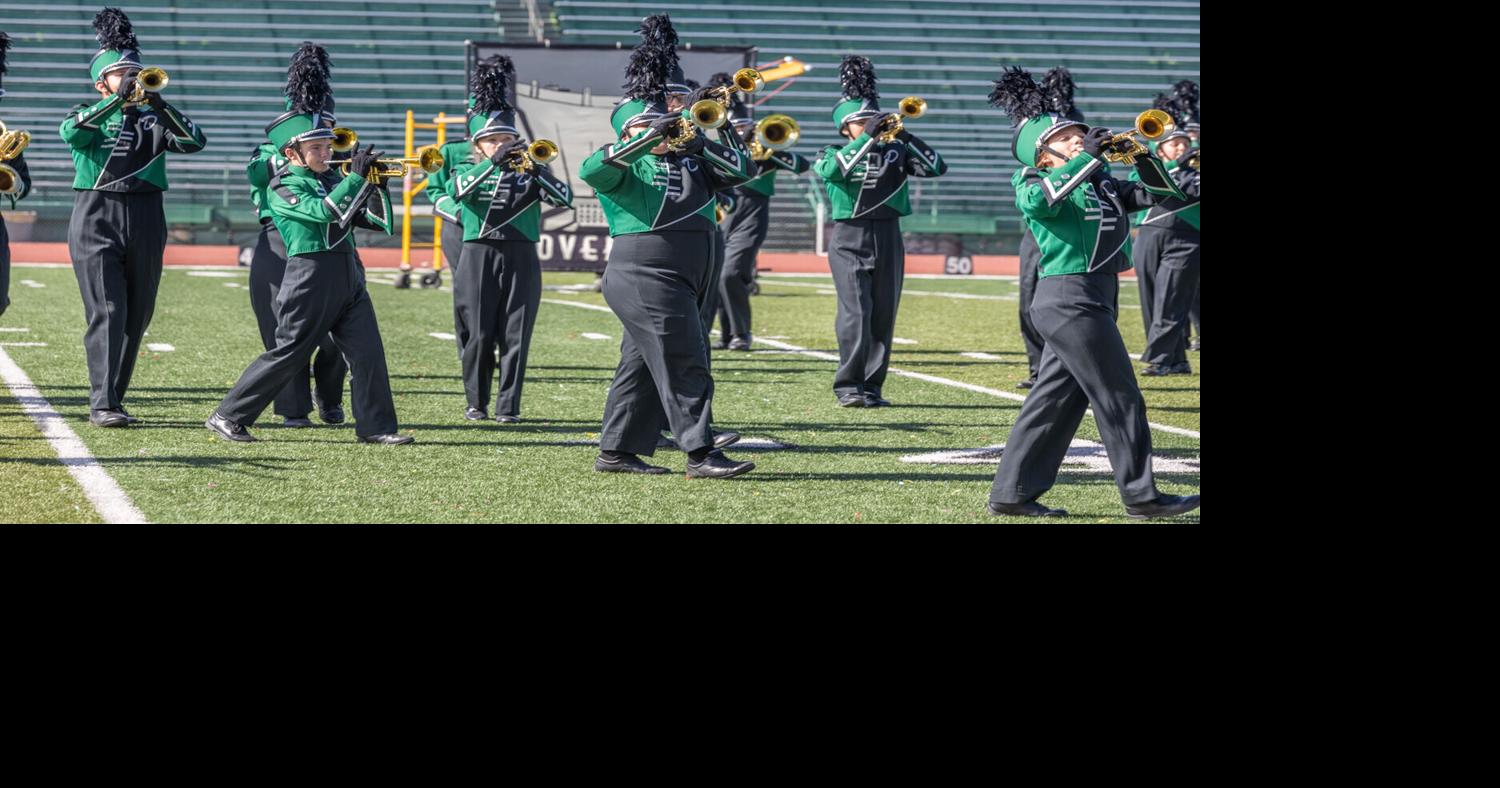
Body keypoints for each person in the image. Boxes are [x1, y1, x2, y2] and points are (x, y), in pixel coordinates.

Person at [985, 67, 1198, 519]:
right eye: (1066, 138)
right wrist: (1093, 159)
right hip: (1068, 297)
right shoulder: (1028, 180)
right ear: (1042, 155)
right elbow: (1041, 203)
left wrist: (1142, 156)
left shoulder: (1099, 181)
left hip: (1095, 296)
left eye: (1080, 133)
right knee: (1120, 397)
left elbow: (1166, 196)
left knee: (1054, 401)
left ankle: (1011, 492)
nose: (1078, 139)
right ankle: (1142, 496)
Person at [577, 14, 757, 478]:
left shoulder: (694, 159)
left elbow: (742, 171)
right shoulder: (623, 165)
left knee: (638, 368)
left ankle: (616, 452)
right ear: (631, 129)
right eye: (653, 120)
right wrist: (649, 135)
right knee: (685, 358)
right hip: (645, 271)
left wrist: (704, 138)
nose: (669, 124)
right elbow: (593, 170)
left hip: (691, 270)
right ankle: (701, 452)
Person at [206, 61, 409, 446]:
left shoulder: (329, 180)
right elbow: (323, 215)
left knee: (368, 353)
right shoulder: (282, 187)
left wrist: (377, 184)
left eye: (327, 145)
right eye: (315, 147)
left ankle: (377, 426)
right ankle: (228, 414)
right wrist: (354, 179)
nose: (325, 152)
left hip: (348, 272)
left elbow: (378, 223)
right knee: (289, 353)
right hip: (309, 275)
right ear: (292, 152)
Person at [61, 8, 206, 427]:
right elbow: (71, 132)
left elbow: (195, 141)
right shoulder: (86, 112)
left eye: (135, 72)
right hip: (96, 214)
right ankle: (102, 404)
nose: (131, 78)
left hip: (146, 213)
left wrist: (159, 104)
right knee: (109, 309)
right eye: (121, 73)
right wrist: (116, 102)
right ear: (100, 82)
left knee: (139, 312)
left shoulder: (153, 120)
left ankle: (114, 399)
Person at [813, 55, 946, 408]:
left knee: (884, 313)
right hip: (849, 238)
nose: (871, 124)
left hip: (889, 234)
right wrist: (867, 139)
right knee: (856, 311)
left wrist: (905, 132)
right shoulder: (831, 152)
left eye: (873, 119)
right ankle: (848, 385)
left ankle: (872, 386)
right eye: (862, 121)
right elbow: (832, 171)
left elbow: (936, 167)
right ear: (846, 127)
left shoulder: (897, 151)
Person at [447, 54, 572, 423]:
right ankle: (476, 402)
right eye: (494, 140)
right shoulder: (468, 167)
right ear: (479, 144)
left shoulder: (531, 168)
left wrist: (535, 169)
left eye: (507, 138)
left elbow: (563, 198)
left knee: (516, 334)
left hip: (521, 254)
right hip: (478, 254)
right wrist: (492, 163)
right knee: (480, 334)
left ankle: (508, 407)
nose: (503, 144)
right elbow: (457, 191)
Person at [244, 42, 349, 427]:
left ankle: (331, 396)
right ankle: (292, 409)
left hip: (327, 239)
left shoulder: (334, 153)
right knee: (280, 330)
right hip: (279, 241)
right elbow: (260, 173)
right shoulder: (267, 151)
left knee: (337, 328)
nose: (326, 139)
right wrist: (300, 146)